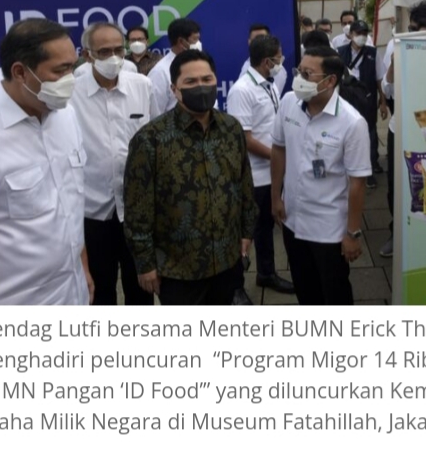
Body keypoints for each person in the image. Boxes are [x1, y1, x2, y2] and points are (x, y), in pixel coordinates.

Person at [0, 18, 93, 305]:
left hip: (73, 295)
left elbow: (69, 205)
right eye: (60, 70)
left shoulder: (66, 116)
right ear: (20, 72)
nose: (71, 78)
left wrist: (83, 268)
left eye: (73, 67)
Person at [124, 50, 258, 305]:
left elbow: (244, 185)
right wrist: (145, 263)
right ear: (174, 89)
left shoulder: (231, 128)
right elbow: (137, 209)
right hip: (178, 269)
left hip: (227, 259)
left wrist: (246, 232)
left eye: (207, 79)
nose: (201, 87)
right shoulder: (150, 139)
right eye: (191, 81)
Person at [271, 45, 371, 305]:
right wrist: (275, 197)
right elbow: (279, 149)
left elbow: (358, 182)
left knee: (335, 295)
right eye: (299, 71)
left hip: (328, 230)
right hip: (292, 221)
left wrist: (352, 233)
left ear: (329, 81)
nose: (299, 79)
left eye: (307, 74)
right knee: (305, 292)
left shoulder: (352, 123)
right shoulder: (288, 103)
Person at [70, 22, 154, 305]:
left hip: (137, 212)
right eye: (104, 52)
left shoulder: (142, 86)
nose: (114, 58)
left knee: (141, 290)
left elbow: (154, 139)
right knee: (100, 292)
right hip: (93, 212)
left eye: (119, 50)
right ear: (87, 55)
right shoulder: (70, 95)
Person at [227, 35, 295, 301]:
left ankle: (266, 272)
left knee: (265, 228)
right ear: (267, 62)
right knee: (245, 233)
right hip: (254, 177)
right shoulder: (242, 90)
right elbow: (244, 139)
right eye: (278, 58)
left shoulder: (270, 84)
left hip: (271, 174)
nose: (281, 63)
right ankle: (235, 287)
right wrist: (277, 157)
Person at [379, 14, 426, 258]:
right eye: (416, 31)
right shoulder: (403, 49)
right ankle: (396, 232)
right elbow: (387, 89)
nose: (419, 37)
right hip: (401, 129)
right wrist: (394, 65)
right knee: (396, 184)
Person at [337, 20, 388, 187]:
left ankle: (369, 171)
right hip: (347, 98)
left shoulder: (373, 53)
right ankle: (346, 171)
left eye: (365, 33)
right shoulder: (340, 52)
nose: (362, 37)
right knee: (345, 133)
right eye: (359, 33)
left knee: (370, 134)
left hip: (367, 99)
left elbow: (379, 78)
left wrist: (382, 101)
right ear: (351, 34)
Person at [148, 18, 201, 117]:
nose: (199, 43)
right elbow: (155, 114)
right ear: (181, 42)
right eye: (195, 40)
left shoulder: (201, 64)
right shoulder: (160, 72)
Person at [239, 23, 287, 97]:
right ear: (249, 42)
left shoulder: (277, 70)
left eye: (262, 38)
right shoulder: (246, 66)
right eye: (255, 40)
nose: (259, 43)